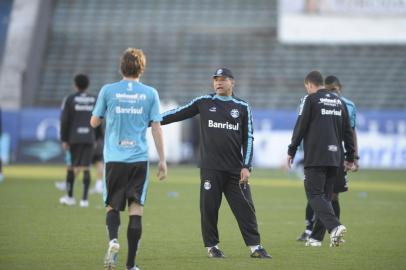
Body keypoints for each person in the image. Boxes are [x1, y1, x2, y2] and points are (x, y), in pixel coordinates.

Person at [160, 68, 271, 259]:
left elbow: (249, 138)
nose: (218, 83)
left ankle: (255, 247)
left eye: (223, 79)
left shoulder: (242, 107)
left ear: (232, 83)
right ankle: (212, 247)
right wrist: (151, 120)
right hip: (210, 168)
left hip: (235, 169)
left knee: (245, 207)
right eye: (216, 80)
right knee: (209, 208)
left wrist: (246, 166)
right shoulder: (203, 102)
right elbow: (177, 113)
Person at [90, 48, 167, 270]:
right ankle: (131, 265)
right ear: (142, 68)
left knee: (112, 206)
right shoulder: (150, 93)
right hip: (138, 160)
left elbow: (95, 122)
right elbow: (156, 128)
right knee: (136, 207)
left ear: (121, 66)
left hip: (114, 159)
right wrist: (162, 160)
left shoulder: (108, 90)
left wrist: (101, 115)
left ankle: (113, 240)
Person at [287, 70, 355, 248]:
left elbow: (300, 126)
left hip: (316, 156)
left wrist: (291, 150)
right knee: (325, 197)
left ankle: (335, 226)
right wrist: (350, 156)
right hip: (335, 157)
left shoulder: (310, 100)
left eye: (306, 87)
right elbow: (348, 131)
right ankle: (316, 239)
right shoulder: (339, 102)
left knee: (314, 194)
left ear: (309, 85)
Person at [303, 75, 359, 246]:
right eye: (329, 90)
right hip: (329, 155)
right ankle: (316, 236)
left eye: (334, 89)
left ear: (340, 88)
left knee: (329, 196)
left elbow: (351, 131)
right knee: (324, 196)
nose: (332, 92)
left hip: (334, 156)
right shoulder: (318, 101)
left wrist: (353, 157)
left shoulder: (346, 104)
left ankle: (332, 229)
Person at [59, 74, 97, 207]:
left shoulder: (70, 99)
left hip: (73, 138)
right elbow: (99, 119)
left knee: (71, 167)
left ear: (75, 85)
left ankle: (70, 197)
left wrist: (64, 139)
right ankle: (84, 200)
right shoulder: (93, 99)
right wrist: (97, 137)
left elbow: (64, 120)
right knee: (86, 168)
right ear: (87, 85)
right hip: (89, 137)